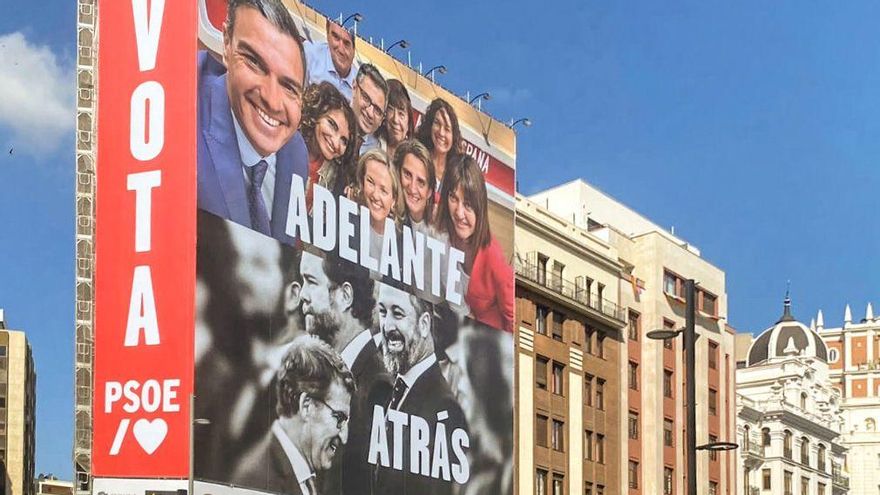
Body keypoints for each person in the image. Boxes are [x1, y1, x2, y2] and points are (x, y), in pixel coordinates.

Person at [197, 0, 308, 244]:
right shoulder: (182, 99)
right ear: (226, 43)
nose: (272, 100)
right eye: (255, 63)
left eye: (289, 87)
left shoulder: (296, 153)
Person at [298, 249, 392, 494]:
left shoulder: (377, 386)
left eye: (311, 281)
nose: (302, 295)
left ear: (345, 295)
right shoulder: (321, 377)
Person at [373, 281, 468, 495]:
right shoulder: (390, 390)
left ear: (424, 324)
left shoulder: (444, 407)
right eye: (382, 312)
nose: (387, 326)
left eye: (397, 314)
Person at [234, 335, 355, 495]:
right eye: (339, 418)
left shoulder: (302, 475)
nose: (344, 437)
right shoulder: (258, 480)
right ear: (307, 406)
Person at [435, 154, 514, 332]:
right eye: (453, 198)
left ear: (480, 207)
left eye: (468, 205)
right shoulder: (440, 222)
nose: (459, 213)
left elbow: (512, 320)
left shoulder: (493, 257)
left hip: (482, 338)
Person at [300, 82, 358, 208]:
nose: (336, 143)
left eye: (344, 140)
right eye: (332, 125)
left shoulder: (336, 177)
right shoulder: (287, 142)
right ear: (317, 113)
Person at [353, 149, 402, 261]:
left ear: (394, 200)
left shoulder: (401, 242)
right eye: (370, 182)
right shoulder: (348, 223)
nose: (375, 195)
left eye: (384, 191)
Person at [414, 98, 461, 195]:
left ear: (454, 137)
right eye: (437, 123)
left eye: (447, 129)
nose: (441, 132)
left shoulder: (455, 175)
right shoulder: (416, 157)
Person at [304, 19, 358, 101]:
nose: (341, 50)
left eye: (346, 43)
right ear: (327, 33)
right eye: (336, 37)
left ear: (354, 50)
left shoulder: (360, 86)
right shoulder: (309, 54)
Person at [393, 139, 436, 229]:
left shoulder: (437, 233)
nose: (412, 188)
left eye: (420, 182)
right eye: (407, 175)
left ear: (429, 192)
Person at [350, 64, 388, 154]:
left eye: (378, 110)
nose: (370, 113)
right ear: (354, 88)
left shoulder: (376, 153)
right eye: (366, 98)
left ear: (382, 120)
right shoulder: (331, 121)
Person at [378, 79, 414, 160]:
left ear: (409, 123)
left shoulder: (412, 158)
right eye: (390, 110)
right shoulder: (372, 144)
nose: (395, 119)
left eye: (401, 114)